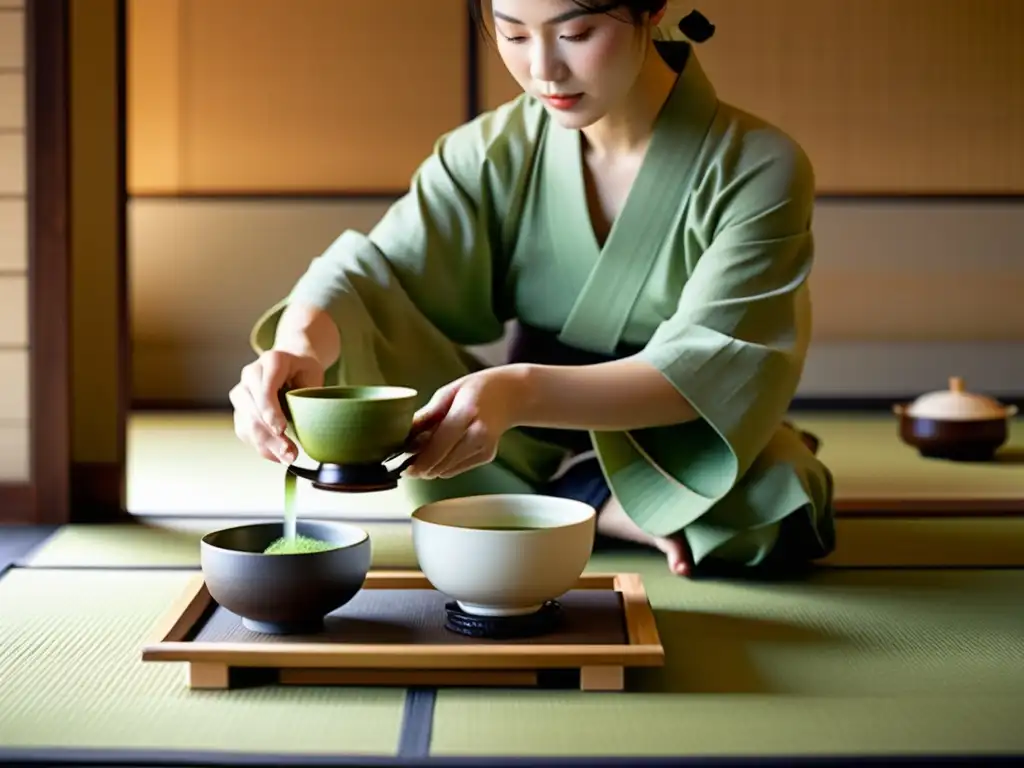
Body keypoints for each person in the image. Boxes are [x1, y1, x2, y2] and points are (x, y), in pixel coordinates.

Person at [230, 0, 837, 577]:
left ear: (651, 8)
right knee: (378, 392)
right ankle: (600, 500)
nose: (543, 69)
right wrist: (297, 351)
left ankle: (568, 496)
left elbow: (714, 363)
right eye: (515, 35)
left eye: (575, 34)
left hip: (666, 426)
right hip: (508, 431)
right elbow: (367, 275)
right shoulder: (491, 151)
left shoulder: (759, 167)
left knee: (779, 507)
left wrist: (519, 391)